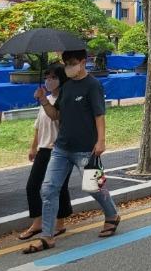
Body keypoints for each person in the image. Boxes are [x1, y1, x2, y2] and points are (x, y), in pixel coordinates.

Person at [26, 49, 120, 253]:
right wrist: (43, 100)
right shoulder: (67, 87)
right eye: (66, 63)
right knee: (48, 189)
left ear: (83, 62)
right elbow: (56, 115)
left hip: (86, 149)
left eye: (72, 63)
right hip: (61, 148)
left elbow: (99, 116)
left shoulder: (93, 85)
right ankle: (47, 236)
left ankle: (112, 214)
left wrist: (101, 141)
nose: (68, 67)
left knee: (94, 187)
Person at [19, 65, 72, 240]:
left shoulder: (66, 100)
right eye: (47, 77)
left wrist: (43, 100)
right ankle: (38, 222)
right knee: (32, 185)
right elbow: (38, 126)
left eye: (53, 78)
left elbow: (55, 116)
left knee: (59, 187)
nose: (49, 81)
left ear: (62, 79)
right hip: (44, 148)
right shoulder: (46, 99)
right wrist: (33, 147)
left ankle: (60, 223)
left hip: (61, 150)